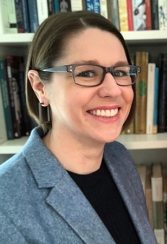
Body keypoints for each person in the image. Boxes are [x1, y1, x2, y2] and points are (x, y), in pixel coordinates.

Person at [0, 11, 156, 244]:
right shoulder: (5, 201)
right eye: (87, 73)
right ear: (40, 87)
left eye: (120, 72)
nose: (113, 90)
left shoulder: (119, 158)